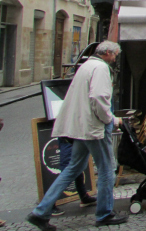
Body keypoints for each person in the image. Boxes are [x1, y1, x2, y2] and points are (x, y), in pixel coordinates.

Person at [26, 41, 128, 231]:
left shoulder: (86, 66)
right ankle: (104, 213)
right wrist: (110, 120)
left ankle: (40, 212)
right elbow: (98, 97)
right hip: (93, 128)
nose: (115, 59)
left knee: (73, 168)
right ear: (106, 53)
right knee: (107, 169)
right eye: (114, 55)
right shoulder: (100, 68)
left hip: (81, 126)